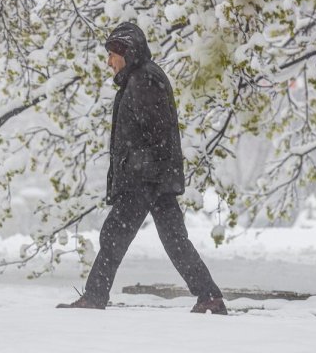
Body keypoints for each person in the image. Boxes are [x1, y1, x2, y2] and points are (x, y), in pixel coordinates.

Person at [56, 22, 227, 315]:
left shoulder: (143, 80)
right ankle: (209, 296)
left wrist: (138, 169)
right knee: (174, 240)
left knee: (114, 235)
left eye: (112, 54)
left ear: (127, 52)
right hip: (152, 177)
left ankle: (95, 296)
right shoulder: (139, 79)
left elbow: (157, 133)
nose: (108, 61)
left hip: (144, 178)